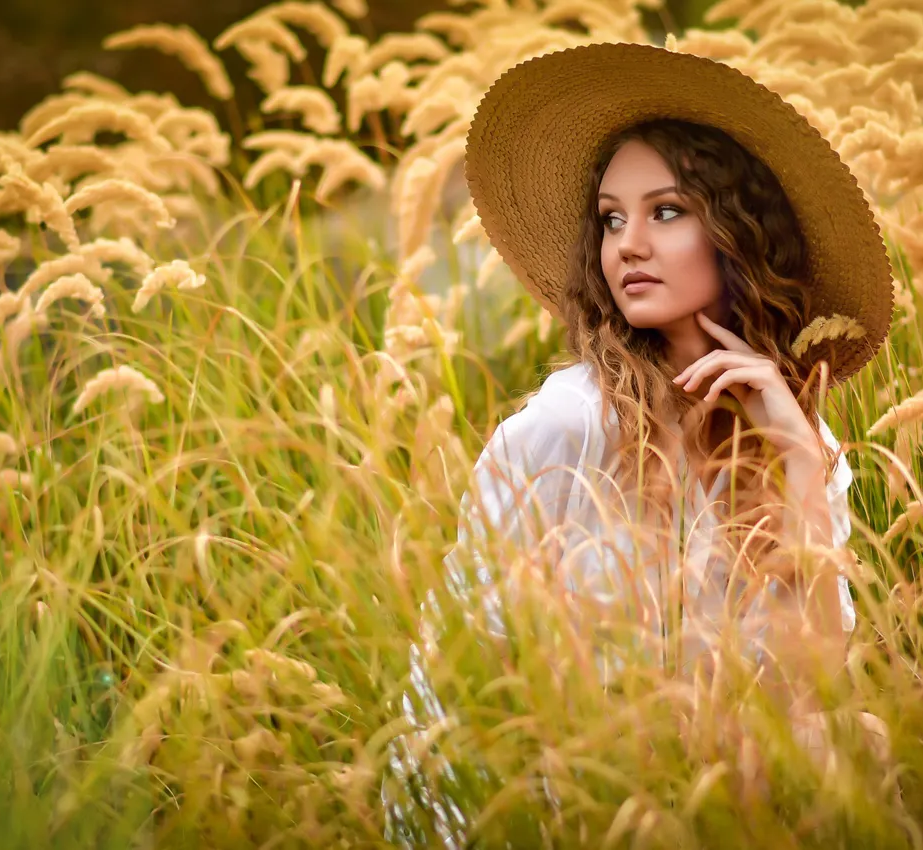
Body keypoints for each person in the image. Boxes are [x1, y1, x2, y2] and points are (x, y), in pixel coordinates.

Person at [382, 41, 896, 845]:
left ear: (738, 234)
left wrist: (800, 460)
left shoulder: (803, 437)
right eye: (611, 220)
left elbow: (816, 697)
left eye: (666, 211)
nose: (627, 245)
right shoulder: (562, 432)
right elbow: (453, 681)